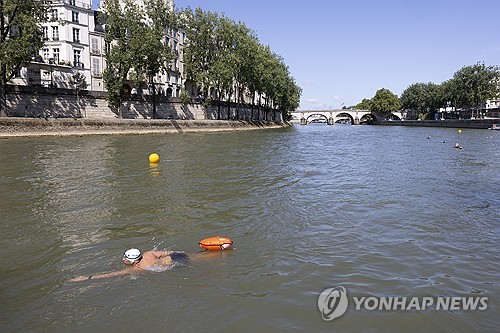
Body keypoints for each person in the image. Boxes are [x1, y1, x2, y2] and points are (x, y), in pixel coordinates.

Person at [70, 248, 190, 282]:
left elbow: (111, 275)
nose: (123, 259)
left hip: (175, 268)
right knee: (196, 257)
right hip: (176, 258)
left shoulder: (138, 268)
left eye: (125, 259)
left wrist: (87, 278)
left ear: (132, 261)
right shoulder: (149, 253)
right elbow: (168, 252)